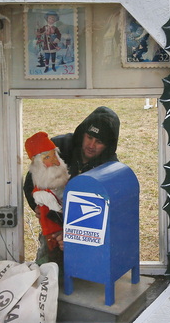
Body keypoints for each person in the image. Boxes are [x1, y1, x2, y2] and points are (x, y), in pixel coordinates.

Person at [24, 106, 120, 263]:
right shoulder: (57, 147)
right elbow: (30, 181)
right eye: (89, 137)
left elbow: (108, 212)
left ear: (108, 146)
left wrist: (72, 235)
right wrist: (37, 206)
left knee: (87, 273)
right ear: (82, 133)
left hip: (88, 232)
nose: (91, 145)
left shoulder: (111, 168)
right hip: (53, 223)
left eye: (99, 142)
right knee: (49, 269)